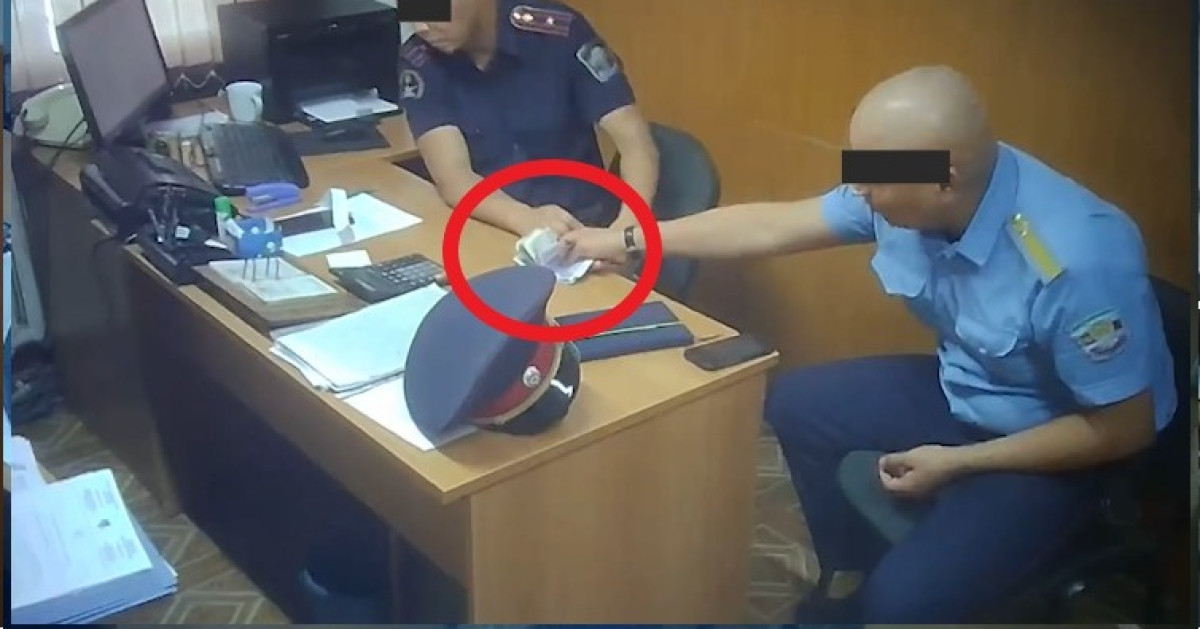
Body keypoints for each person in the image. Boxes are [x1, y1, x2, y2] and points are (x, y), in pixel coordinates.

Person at [560, 65, 1176, 623]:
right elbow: (772, 225)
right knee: (795, 403)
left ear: (944, 181)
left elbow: (1124, 428)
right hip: (972, 388)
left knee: (900, 605)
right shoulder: (912, 179)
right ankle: (846, 574)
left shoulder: (1074, 260)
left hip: (1060, 441)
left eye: (873, 177)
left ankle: (894, 592)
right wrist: (627, 241)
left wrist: (959, 463)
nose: (857, 190)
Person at [399, 0, 659, 238]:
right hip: (495, 225)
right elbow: (454, 177)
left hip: (584, 224)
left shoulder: (557, 32)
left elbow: (635, 142)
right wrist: (524, 218)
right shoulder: (420, 59)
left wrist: (626, 231)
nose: (422, 27)